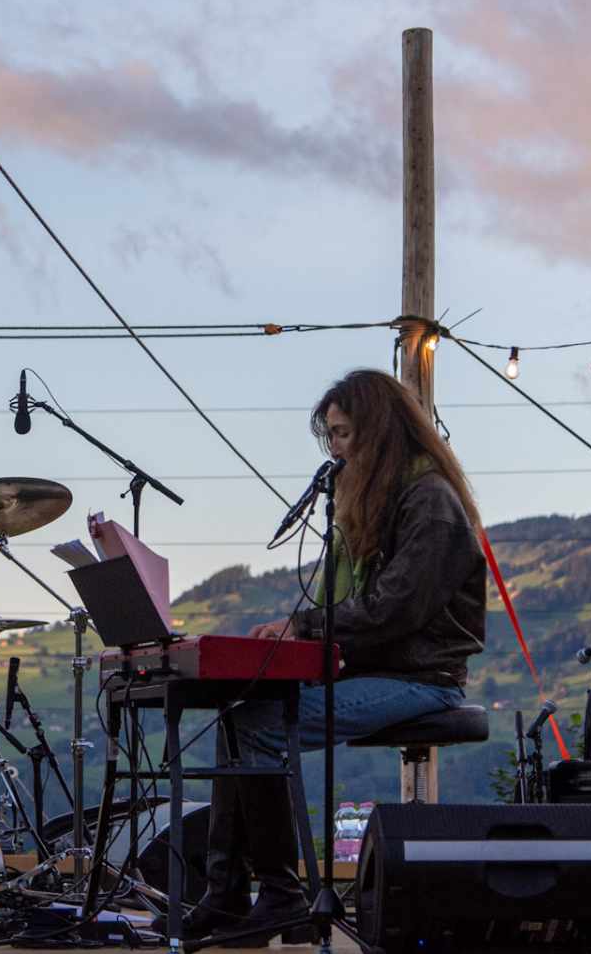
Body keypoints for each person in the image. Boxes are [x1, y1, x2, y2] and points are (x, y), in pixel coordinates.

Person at [190, 368, 486, 941]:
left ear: (379, 432)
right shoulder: (374, 501)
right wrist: (293, 635)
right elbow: (348, 605)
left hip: (423, 678)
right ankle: (227, 893)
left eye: (344, 434)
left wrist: (301, 627)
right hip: (377, 668)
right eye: (329, 436)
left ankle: (278, 894)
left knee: (261, 724)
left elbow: (393, 609)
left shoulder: (430, 502)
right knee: (239, 714)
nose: (335, 449)